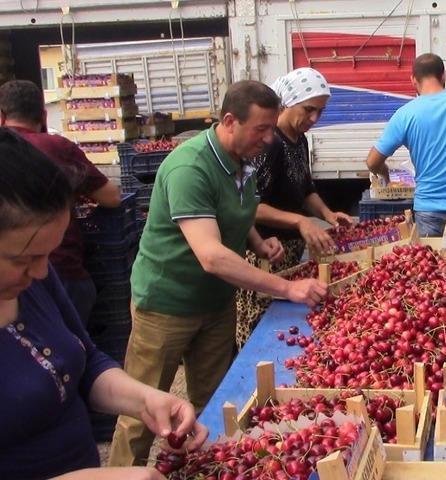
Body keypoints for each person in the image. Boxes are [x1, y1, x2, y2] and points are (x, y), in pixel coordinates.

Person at [0, 119, 206, 480]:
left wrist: (146, 399)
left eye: (48, 253)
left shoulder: (32, 279)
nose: (42, 272)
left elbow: (84, 361)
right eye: (22, 259)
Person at [109, 80, 328, 467]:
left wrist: (258, 242)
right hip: (167, 304)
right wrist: (287, 288)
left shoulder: (242, 160)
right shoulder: (190, 167)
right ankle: (120, 474)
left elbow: (235, 209)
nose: (269, 138)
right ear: (229, 121)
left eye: (271, 127)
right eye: (261, 129)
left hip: (215, 302)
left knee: (212, 403)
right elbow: (211, 255)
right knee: (143, 412)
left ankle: (206, 470)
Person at [235, 67, 353, 346]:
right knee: (261, 328)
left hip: (289, 253)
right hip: (265, 252)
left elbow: (305, 189)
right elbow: (250, 206)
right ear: (287, 102)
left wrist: (326, 214)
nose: (314, 118)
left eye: (320, 112)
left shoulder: (299, 140)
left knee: (289, 325)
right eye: (309, 109)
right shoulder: (270, 143)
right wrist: (300, 221)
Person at [0, 79, 123, 326]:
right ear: (43, 115)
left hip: (4, 279)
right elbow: (111, 197)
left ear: (0, 116)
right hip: (64, 272)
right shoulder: (57, 147)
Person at [366, 53, 446, 237]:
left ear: (413, 80)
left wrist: (385, 172)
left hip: (429, 209)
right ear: (444, 75)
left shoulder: (405, 114)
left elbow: (372, 162)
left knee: (431, 264)